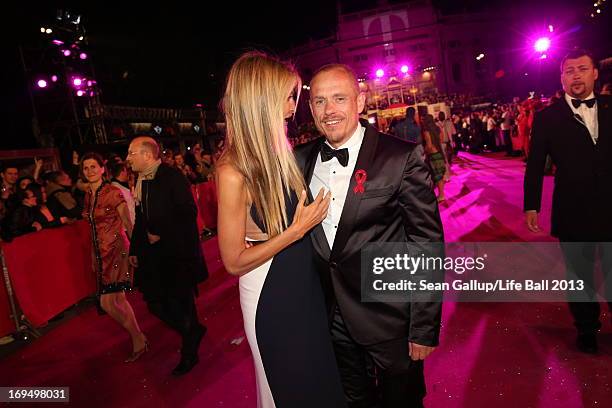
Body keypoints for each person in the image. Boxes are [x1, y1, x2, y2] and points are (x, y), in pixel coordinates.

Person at [296, 64, 443, 407]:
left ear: (360, 102)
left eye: (339, 98)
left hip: (390, 317)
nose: (329, 111)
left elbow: (427, 244)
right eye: (319, 101)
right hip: (330, 317)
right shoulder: (300, 160)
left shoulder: (401, 156)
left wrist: (423, 326)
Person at [216, 51, 345, 407]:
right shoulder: (231, 171)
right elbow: (233, 261)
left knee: (318, 382)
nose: (294, 106)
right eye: (289, 96)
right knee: (288, 388)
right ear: (263, 100)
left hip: (305, 285)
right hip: (270, 290)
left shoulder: (280, 151)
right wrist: (296, 230)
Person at [524, 49, 612, 354]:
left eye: (582, 69)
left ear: (595, 73)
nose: (576, 75)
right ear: (562, 78)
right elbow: (535, 163)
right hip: (573, 210)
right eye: (570, 70)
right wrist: (531, 204)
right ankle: (587, 328)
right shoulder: (548, 117)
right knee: (579, 275)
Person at [126, 136, 208, 376]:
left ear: (148, 155)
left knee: (182, 304)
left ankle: (189, 352)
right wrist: (134, 249)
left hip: (177, 254)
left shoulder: (171, 177)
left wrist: (162, 233)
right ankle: (192, 332)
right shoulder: (142, 180)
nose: (128, 158)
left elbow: (188, 212)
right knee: (155, 303)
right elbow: (141, 219)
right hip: (154, 256)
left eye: (132, 153)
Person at [81, 153, 148, 362]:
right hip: (101, 253)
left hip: (117, 250)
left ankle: (138, 337)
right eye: (86, 168)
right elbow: (92, 228)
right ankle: (139, 338)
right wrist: (93, 256)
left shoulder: (112, 192)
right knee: (118, 299)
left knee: (107, 302)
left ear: (103, 169)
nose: (90, 171)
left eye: (94, 167)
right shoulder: (89, 195)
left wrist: (136, 249)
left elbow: (127, 223)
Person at [422, 114, 447, 202]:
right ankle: (441, 194)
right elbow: (441, 139)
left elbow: (428, 145)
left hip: (433, 154)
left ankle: (441, 195)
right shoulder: (437, 128)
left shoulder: (426, 131)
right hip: (439, 153)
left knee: (437, 176)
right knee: (440, 175)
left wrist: (424, 151)